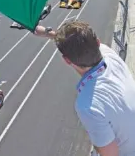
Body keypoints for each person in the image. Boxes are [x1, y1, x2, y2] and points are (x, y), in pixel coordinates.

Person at [34, 21, 135, 156]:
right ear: (98, 42)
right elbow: (81, 42)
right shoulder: (109, 55)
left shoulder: (88, 105)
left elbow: (110, 154)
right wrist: (50, 34)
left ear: (67, 60)